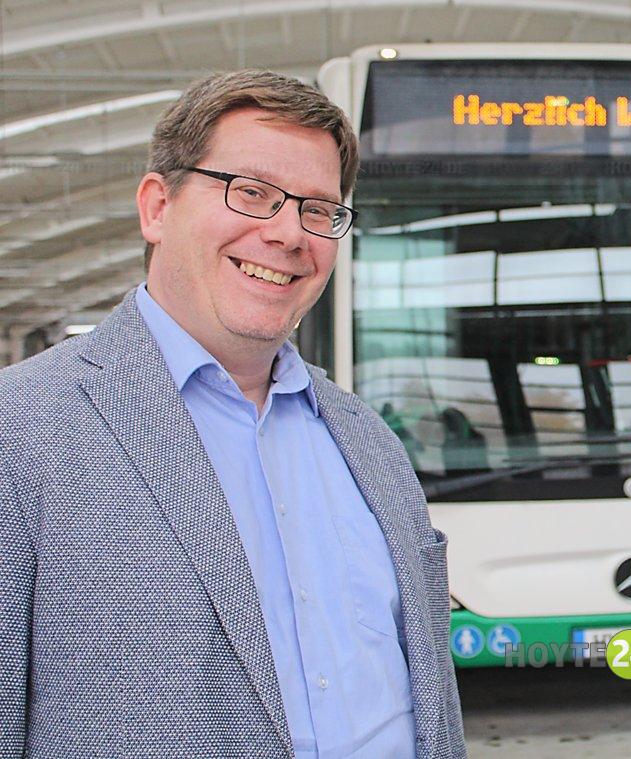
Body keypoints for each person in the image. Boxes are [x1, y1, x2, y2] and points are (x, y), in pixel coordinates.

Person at [0, 71, 465, 758]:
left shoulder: (367, 439)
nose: (287, 234)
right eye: (251, 192)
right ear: (157, 207)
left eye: (319, 209)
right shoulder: (22, 431)